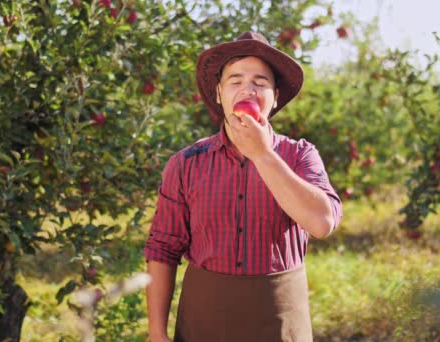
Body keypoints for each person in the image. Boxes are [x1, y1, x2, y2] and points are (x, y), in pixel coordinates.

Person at [143, 31, 343, 342]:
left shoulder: (301, 154)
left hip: (279, 320)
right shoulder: (186, 163)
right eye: (235, 80)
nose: (247, 89)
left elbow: (322, 222)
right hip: (203, 321)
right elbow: (162, 249)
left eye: (260, 82)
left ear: (275, 96)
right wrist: (157, 333)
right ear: (219, 93)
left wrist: (262, 154)